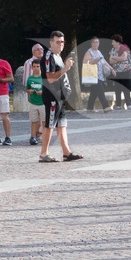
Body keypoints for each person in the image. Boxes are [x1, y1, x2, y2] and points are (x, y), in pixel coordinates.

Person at [39, 31, 82, 162]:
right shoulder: (49, 57)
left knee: (62, 124)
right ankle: (44, 153)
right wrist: (66, 68)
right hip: (52, 95)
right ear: (51, 43)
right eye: (58, 42)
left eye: (62, 42)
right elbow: (50, 78)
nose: (61, 44)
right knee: (50, 124)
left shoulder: (57, 56)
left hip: (60, 96)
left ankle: (66, 152)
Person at [19, 43, 45, 144]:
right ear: (33, 51)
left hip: (43, 93)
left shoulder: (44, 61)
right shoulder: (29, 62)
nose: (41, 51)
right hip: (33, 92)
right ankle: (36, 134)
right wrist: (29, 91)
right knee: (35, 116)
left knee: (43, 116)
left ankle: (41, 133)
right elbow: (26, 80)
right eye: (38, 49)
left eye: (42, 49)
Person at [82, 38, 112, 113]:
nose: (96, 43)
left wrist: (111, 68)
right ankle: (106, 107)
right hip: (94, 75)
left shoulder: (99, 52)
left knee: (94, 93)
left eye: (97, 42)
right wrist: (94, 61)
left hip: (100, 75)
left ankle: (89, 108)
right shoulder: (89, 52)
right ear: (91, 43)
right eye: (94, 42)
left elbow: (104, 61)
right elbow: (85, 62)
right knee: (100, 91)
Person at [108, 34, 131, 109]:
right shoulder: (112, 50)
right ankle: (118, 105)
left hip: (125, 71)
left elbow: (124, 58)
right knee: (117, 89)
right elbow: (110, 61)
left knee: (126, 88)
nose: (112, 43)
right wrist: (119, 59)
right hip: (116, 72)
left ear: (117, 42)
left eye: (113, 42)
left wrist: (114, 58)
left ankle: (129, 104)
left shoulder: (124, 48)